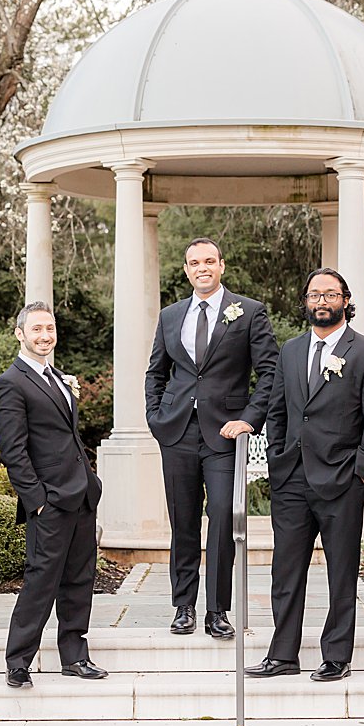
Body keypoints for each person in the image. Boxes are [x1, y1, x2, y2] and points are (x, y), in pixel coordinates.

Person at [246, 268, 364, 682]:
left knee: (340, 572)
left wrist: (361, 474)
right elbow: (278, 409)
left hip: (342, 480)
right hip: (291, 479)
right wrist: (277, 459)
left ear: (346, 300)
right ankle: (282, 655)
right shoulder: (290, 351)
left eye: (330, 294)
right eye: (314, 294)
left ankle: (336, 655)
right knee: (285, 571)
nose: (321, 301)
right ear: (305, 302)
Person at [145, 237, 279, 639]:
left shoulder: (250, 312)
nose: (201, 267)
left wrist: (250, 419)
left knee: (221, 516)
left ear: (221, 265)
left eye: (208, 261)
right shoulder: (170, 316)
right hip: (177, 431)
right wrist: (155, 417)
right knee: (182, 521)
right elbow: (156, 371)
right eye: (193, 262)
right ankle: (183, 606)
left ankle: (217, 610)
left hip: (225, 433)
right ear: (186, 270)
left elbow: (269, 372)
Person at [0, 301, 106, 689]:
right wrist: (36, 499)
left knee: (79, 578)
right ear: (20, 334)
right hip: (50, 502)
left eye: (50, 328)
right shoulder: (11, 382)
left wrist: (91, 482)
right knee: (40, 581)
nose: (45, 335)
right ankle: (18, 661)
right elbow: (14, 450)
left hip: (81, 496)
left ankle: (75, 655)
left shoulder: (58, 377)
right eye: (37, 329)